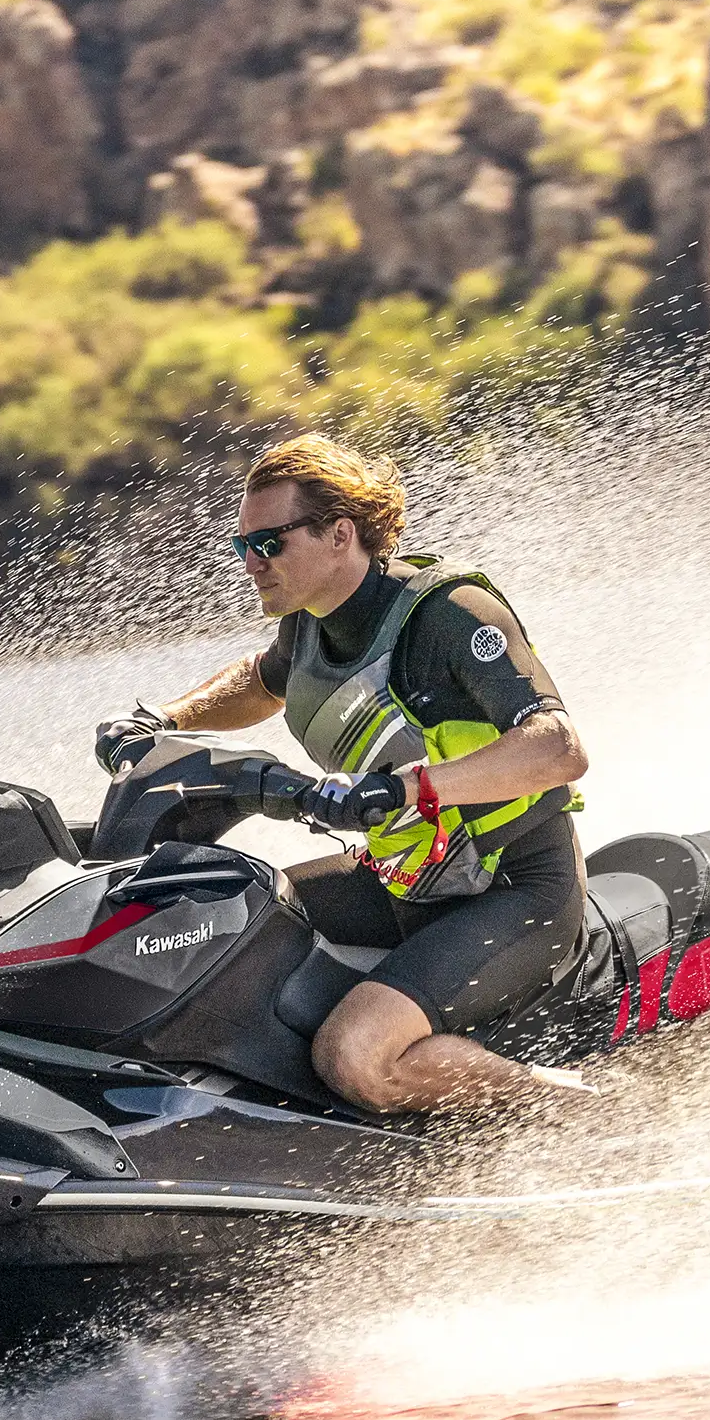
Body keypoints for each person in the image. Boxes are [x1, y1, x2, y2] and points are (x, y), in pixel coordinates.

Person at [95, 434, 592, 1114]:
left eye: (269, 543)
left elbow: (558, 746)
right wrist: (161, 719)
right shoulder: (308, 623)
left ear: (339, 534)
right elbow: (259, 681)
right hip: (405, 881)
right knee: (212, 926)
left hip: (515, 888)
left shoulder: (447, 614)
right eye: (242, 546)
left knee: (354, 1054)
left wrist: (411, 786)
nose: (252, 563)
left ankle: (579, 1107)